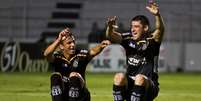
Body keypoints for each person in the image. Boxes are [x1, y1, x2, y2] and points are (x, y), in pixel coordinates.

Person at [106, 2, 164, 101]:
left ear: (145, 28)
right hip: (131, 84)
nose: (133, 29)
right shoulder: (128, 39)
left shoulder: (152, 40)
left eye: (136, 26)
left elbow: (160, 29)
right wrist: (110, 27)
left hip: (150, 86)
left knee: (139, 78)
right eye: (132, 26)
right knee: (119, 76)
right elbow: (110, 36)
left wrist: (157, 15)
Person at [43, 28, 111, 101]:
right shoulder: (57, 57)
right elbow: (46, 54)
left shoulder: (81, 55)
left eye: (73, 42)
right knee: (55, 76)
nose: (73, 45)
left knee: (73, 75)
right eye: (69, 43)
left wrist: (101, 46)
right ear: (61, 46)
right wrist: (59, 39)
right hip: (64, 95)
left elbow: (93, 51)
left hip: (81, 96)